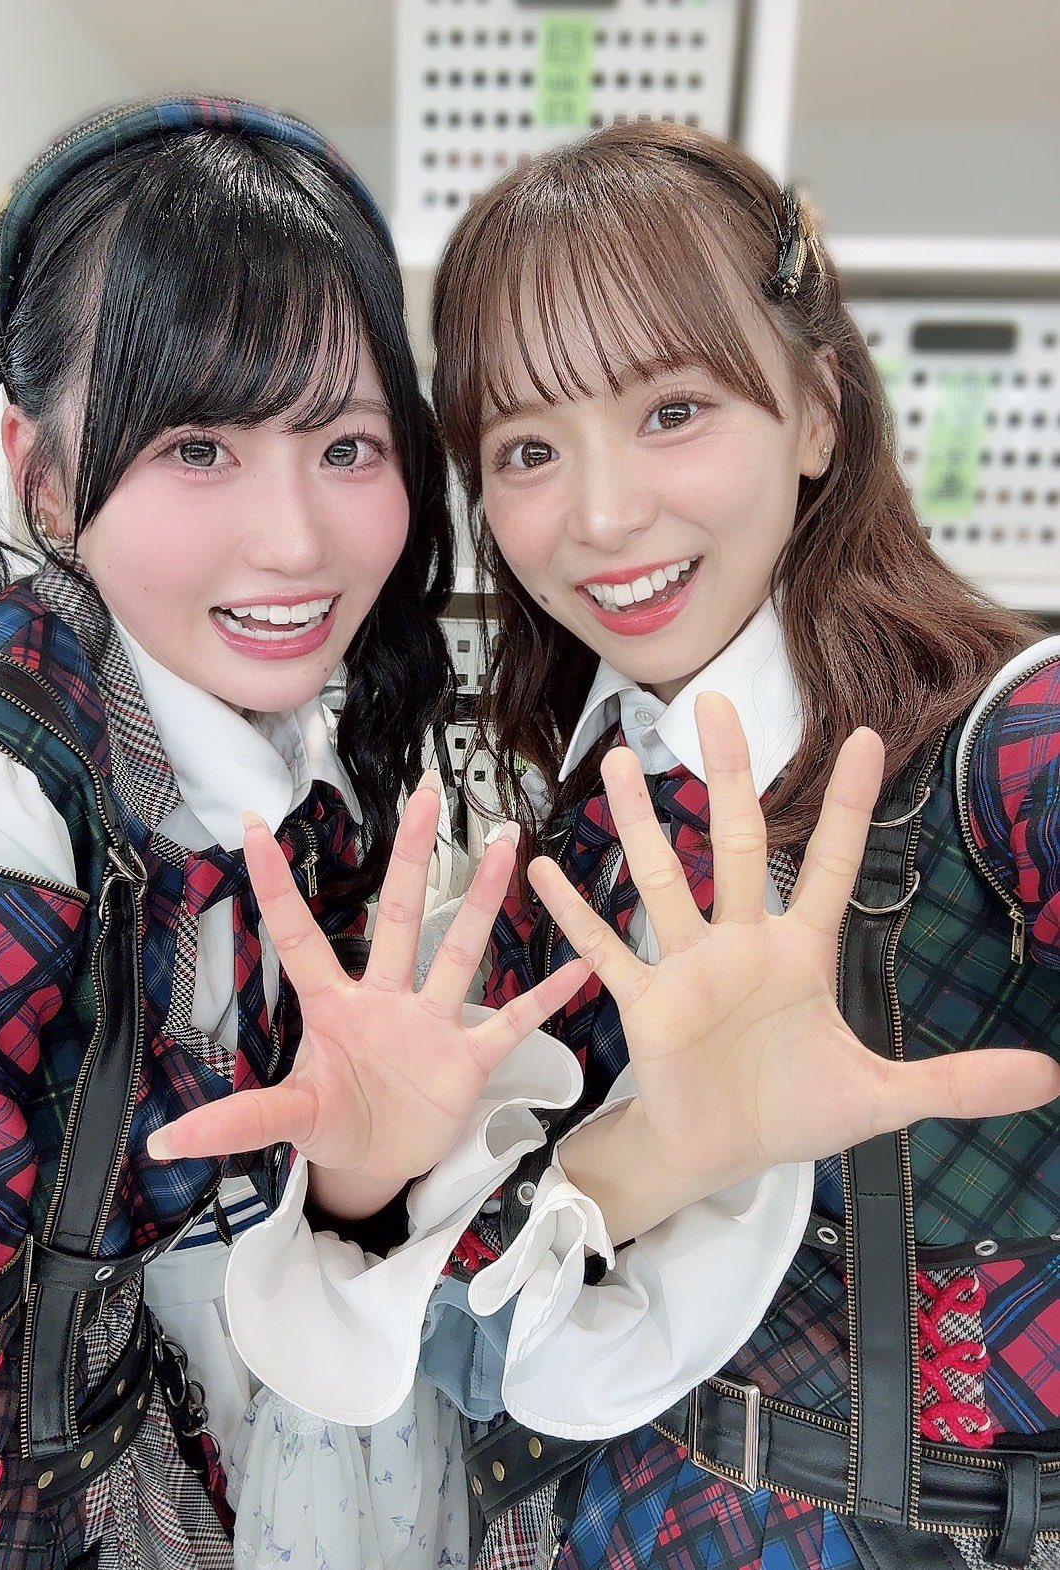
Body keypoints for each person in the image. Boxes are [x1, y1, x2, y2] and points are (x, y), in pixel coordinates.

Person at [159, 124, 1060, 1570]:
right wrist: (581, 1165)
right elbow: (474, 1344)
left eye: (671, 410)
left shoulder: (1000, 748)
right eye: (527, 449)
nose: (599, 515)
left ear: (817, 414)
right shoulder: (575, 839)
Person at [0, 95, 599, 1570]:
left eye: (347, 445)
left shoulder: (285, 745)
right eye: (199, 445)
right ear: (42, 473)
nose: (295, 540)